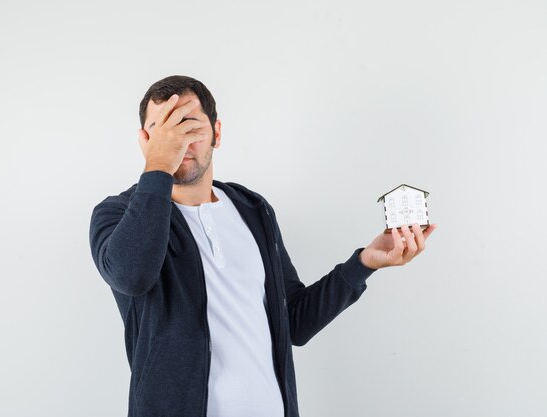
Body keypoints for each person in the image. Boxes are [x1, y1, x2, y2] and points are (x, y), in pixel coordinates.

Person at [88, 75, 437, 417]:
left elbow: (294, 322)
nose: (178, 143)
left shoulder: (252, 208)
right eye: (164, 131)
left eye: (189, 127)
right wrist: (158, 166)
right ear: (145, 141)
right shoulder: (117, 215)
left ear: (217, 134)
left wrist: (364, 263)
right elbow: (132, 275)